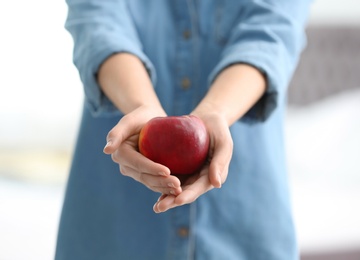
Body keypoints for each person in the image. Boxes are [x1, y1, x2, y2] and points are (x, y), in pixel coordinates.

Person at [56, 1, 312, 259]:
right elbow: (99, 24)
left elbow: (271, 32)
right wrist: (141, 106)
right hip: (113, 218)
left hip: (246, 218)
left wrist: (216, 111)